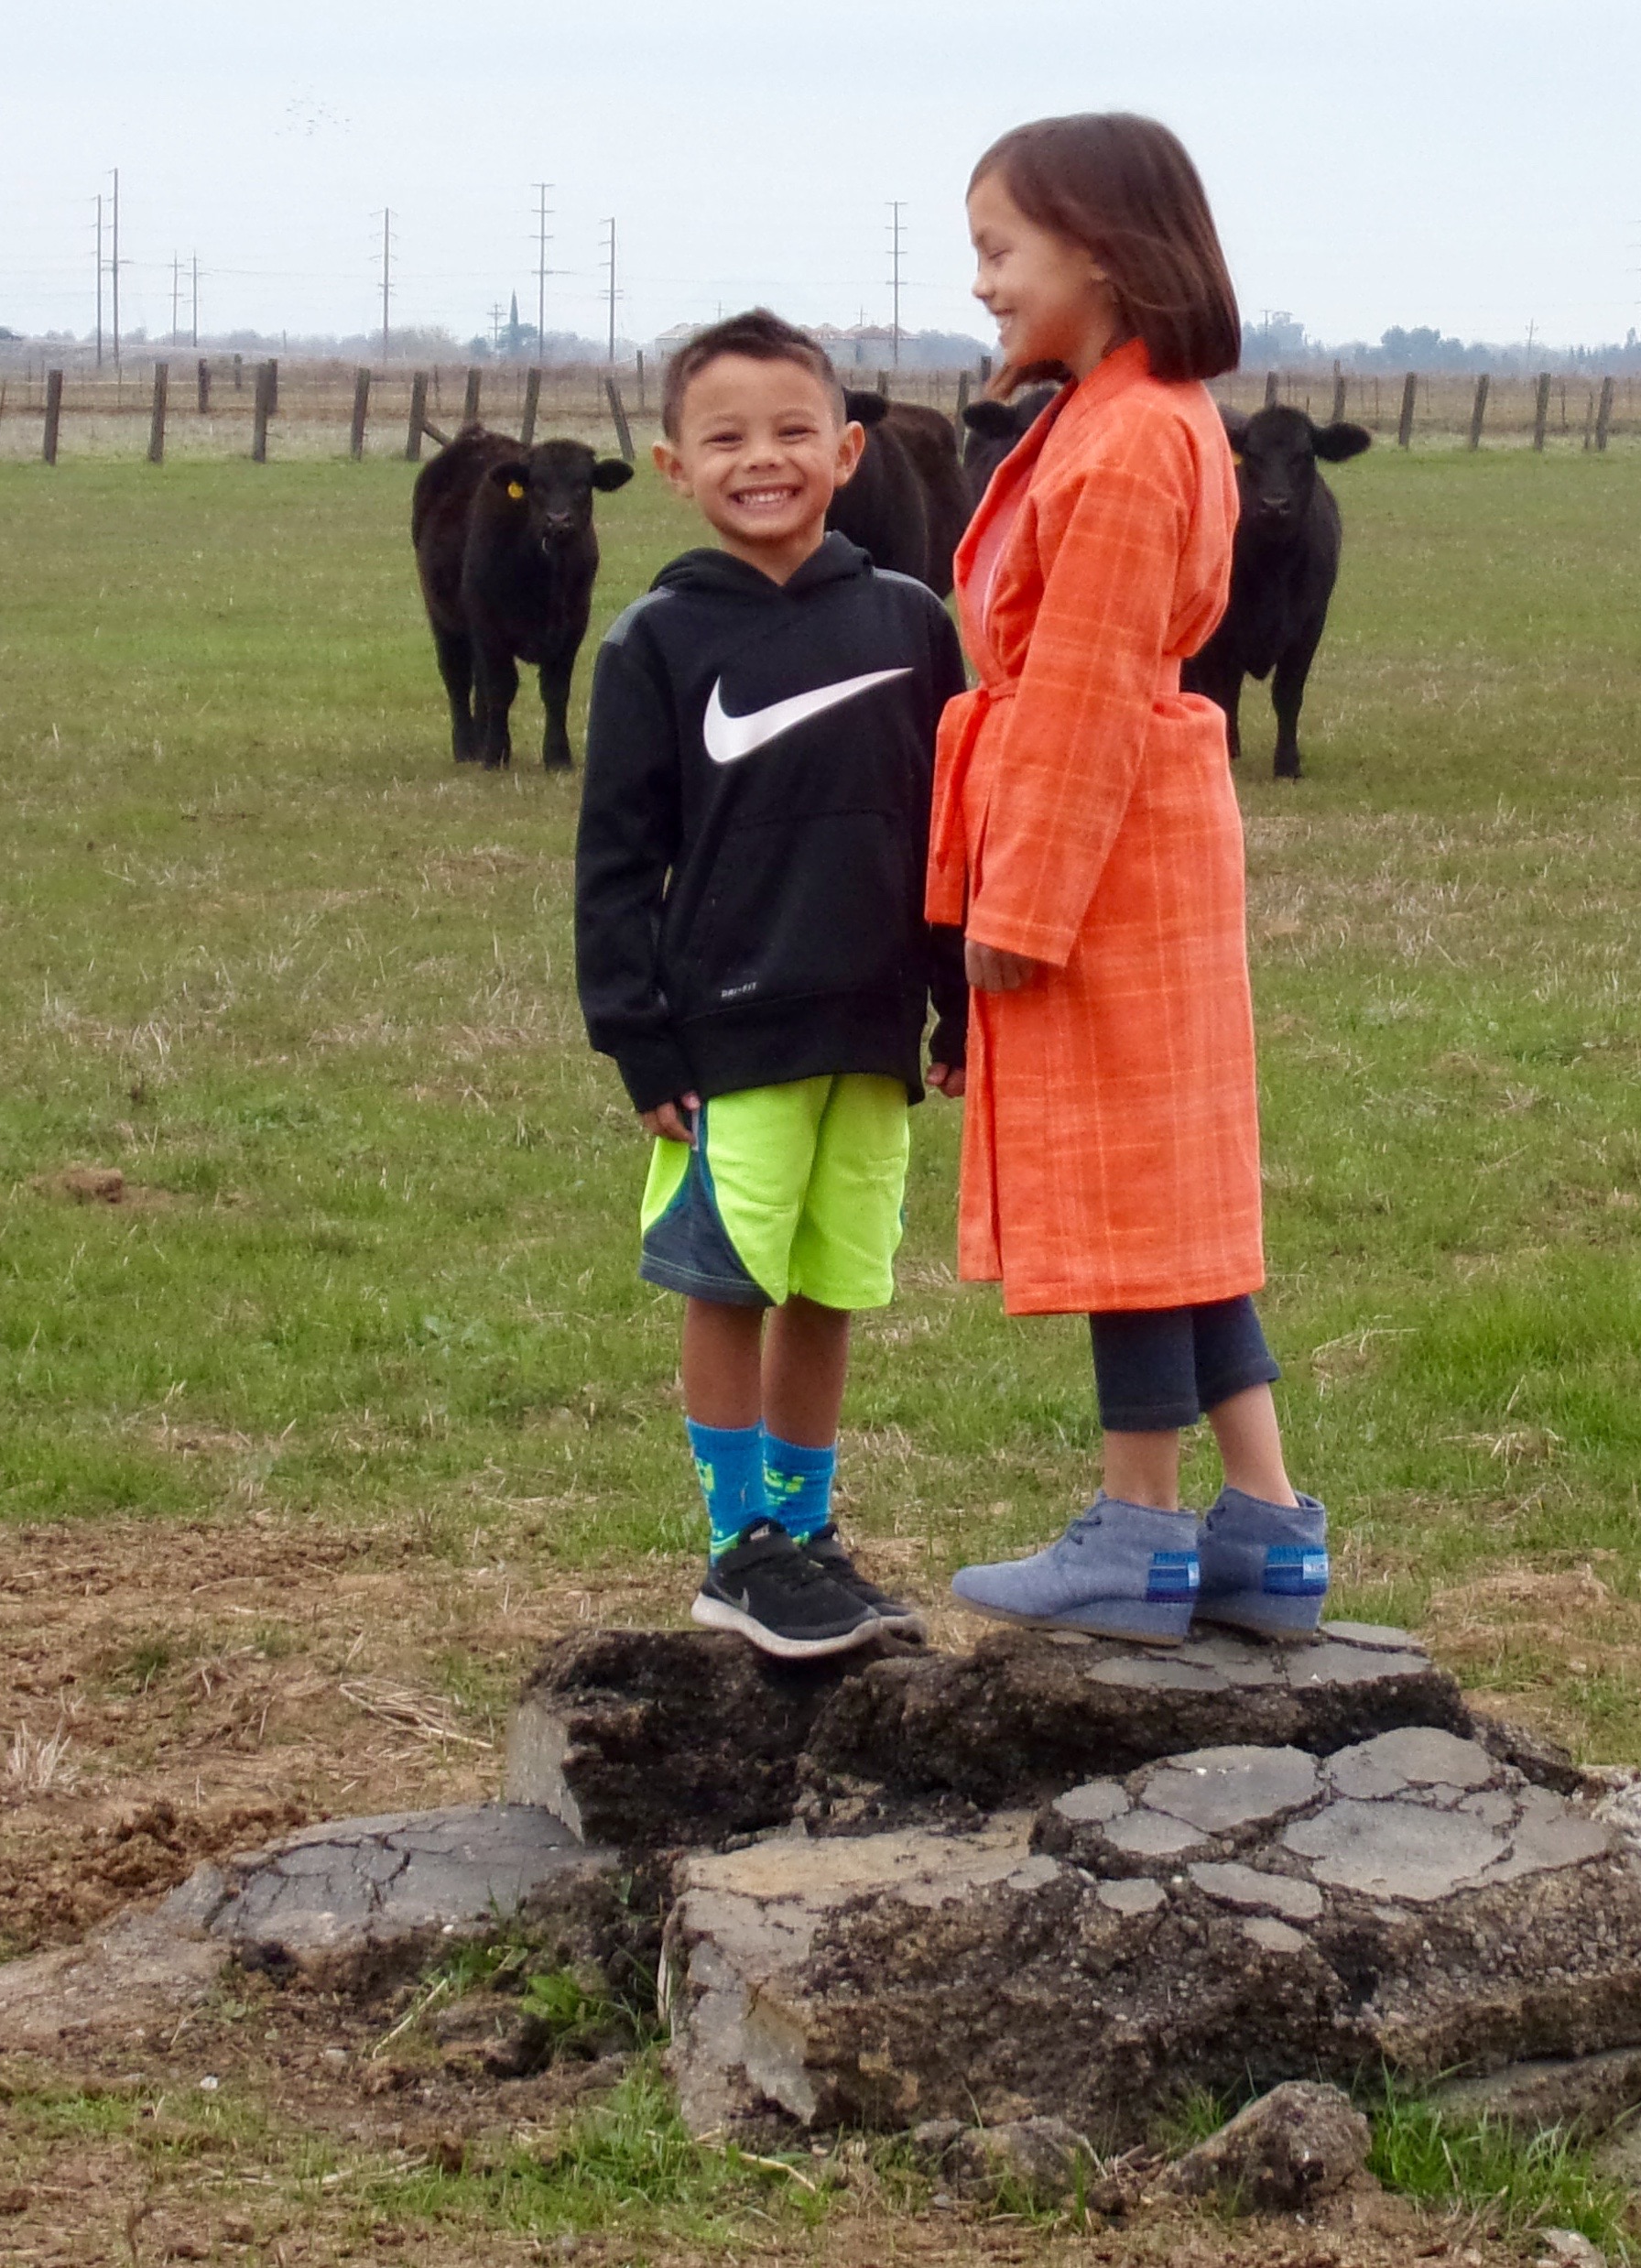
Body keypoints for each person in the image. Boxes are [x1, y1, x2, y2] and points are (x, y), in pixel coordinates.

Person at [933, 114, 1331, 1645]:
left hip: (1099, 855)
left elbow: (1087, 689)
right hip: (1137, 838)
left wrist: (1016, 906)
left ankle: (1138, 1535)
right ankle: (1266, 1531)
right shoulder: (1137, 417)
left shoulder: (1124, 443)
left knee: (1124, 1201)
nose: (980, 283)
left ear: (1097, 250)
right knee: (1169, 1197)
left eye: (997, 250)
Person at [575, 309, 971, 1661]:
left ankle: (806, 1535)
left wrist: (958, 999)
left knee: (829, 1283)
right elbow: (615, 862)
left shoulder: (909, 620)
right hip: (727, 1037)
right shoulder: (655, 641)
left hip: (871, 1026)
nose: (763, 458)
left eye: (794, 431)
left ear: (848, 451)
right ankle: (735, 1548)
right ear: (672, 466)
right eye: (726, 437)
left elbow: (948, 834)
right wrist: (636, 1037)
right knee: (731, 1282)